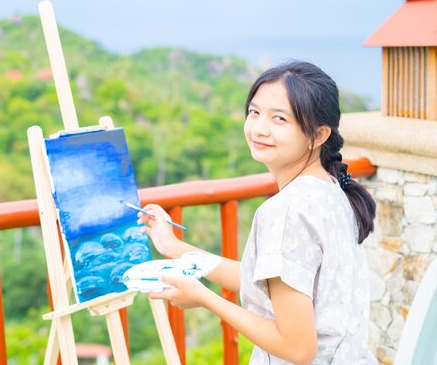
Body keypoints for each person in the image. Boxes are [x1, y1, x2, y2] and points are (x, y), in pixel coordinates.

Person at [138, 61, 378, 365]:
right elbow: (268, 281)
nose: (260, 128)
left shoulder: (285, 211)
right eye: (254, 112)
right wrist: (174, 247)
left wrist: (204, 298)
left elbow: (297, 349)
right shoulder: (332, 190)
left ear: (318, 135)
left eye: (279, 118)